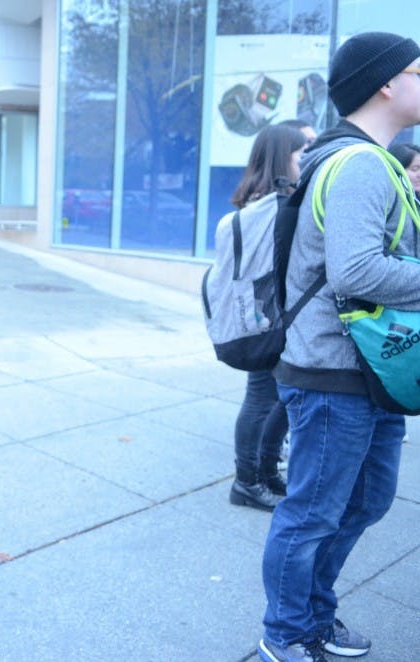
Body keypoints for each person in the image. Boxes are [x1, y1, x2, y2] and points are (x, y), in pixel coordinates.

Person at [259, 32, 420, 662]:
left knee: (364, 502)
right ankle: (285, 633)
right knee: (312, 514)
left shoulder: (368, 160)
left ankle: (314, 617)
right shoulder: (359, 164)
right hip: (333, 373)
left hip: (368, 370)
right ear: (386, 82)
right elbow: (356, 272)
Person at [225, 123, 308, 511]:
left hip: (266, 313)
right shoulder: (269, 203)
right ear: (281, 157)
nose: (304, 159)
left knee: (273, 400)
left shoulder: (260, 196)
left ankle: (265, 473)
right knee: (262, 398)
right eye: (299, 153)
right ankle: (246, 481)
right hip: (266, 316)